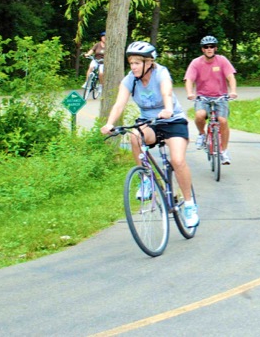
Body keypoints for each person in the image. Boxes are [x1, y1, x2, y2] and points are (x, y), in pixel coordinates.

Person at [100, 41, 199, 228]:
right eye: (131, 63)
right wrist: (110, 123)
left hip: (172, 120)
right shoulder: (130, 79)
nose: (133, 67)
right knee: (134, 136)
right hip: (149, 123)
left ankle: (189, 205)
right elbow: (119, 103)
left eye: (137, 63)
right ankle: (146, 180)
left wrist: (168, 109)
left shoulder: (161, 73)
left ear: (149, 62)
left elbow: (166, 93)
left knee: (177, 161)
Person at [185, 35, 238, 165]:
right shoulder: (196, 63)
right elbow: (189, 80)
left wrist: (233, 91)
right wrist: (190, 93)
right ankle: (202, 134)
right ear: (202, 49)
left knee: (222, 121)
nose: (209, 49)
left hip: (220, 97)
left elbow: (230, 77)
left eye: (212, 46)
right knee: (199, 115)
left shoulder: (222, 60)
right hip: (203, 97)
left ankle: (224, 152)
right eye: (206, 47)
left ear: (216, 48)